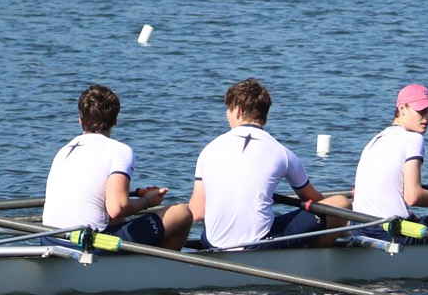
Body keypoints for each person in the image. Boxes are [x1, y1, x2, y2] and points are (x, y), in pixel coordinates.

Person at [329, 84, 428, 243]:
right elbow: (413, 196)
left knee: (415, 217)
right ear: (402, 108)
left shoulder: (376, 140)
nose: (427, 117)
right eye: (421, 110)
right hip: (393, 235)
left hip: (360, 227)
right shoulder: (413, 139)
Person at [43, 85, 194, 250]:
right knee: (182, 213)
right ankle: (159, 271)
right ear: (115, 120)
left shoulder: (64, 150)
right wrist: (147, 201)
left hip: (49, 239)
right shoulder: (119, 151)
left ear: (80, 119)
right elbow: (117, 208)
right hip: (88, 245)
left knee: (117, 220)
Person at [188, 79, 331, 249]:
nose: (226, 114)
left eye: (228, 109)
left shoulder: (208, 150)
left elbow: (196, 212)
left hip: (212, 243)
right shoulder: (283, 153)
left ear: (238, 111)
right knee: (339, 205)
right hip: (258, 244)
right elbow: (315, 201)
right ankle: (312, 261)